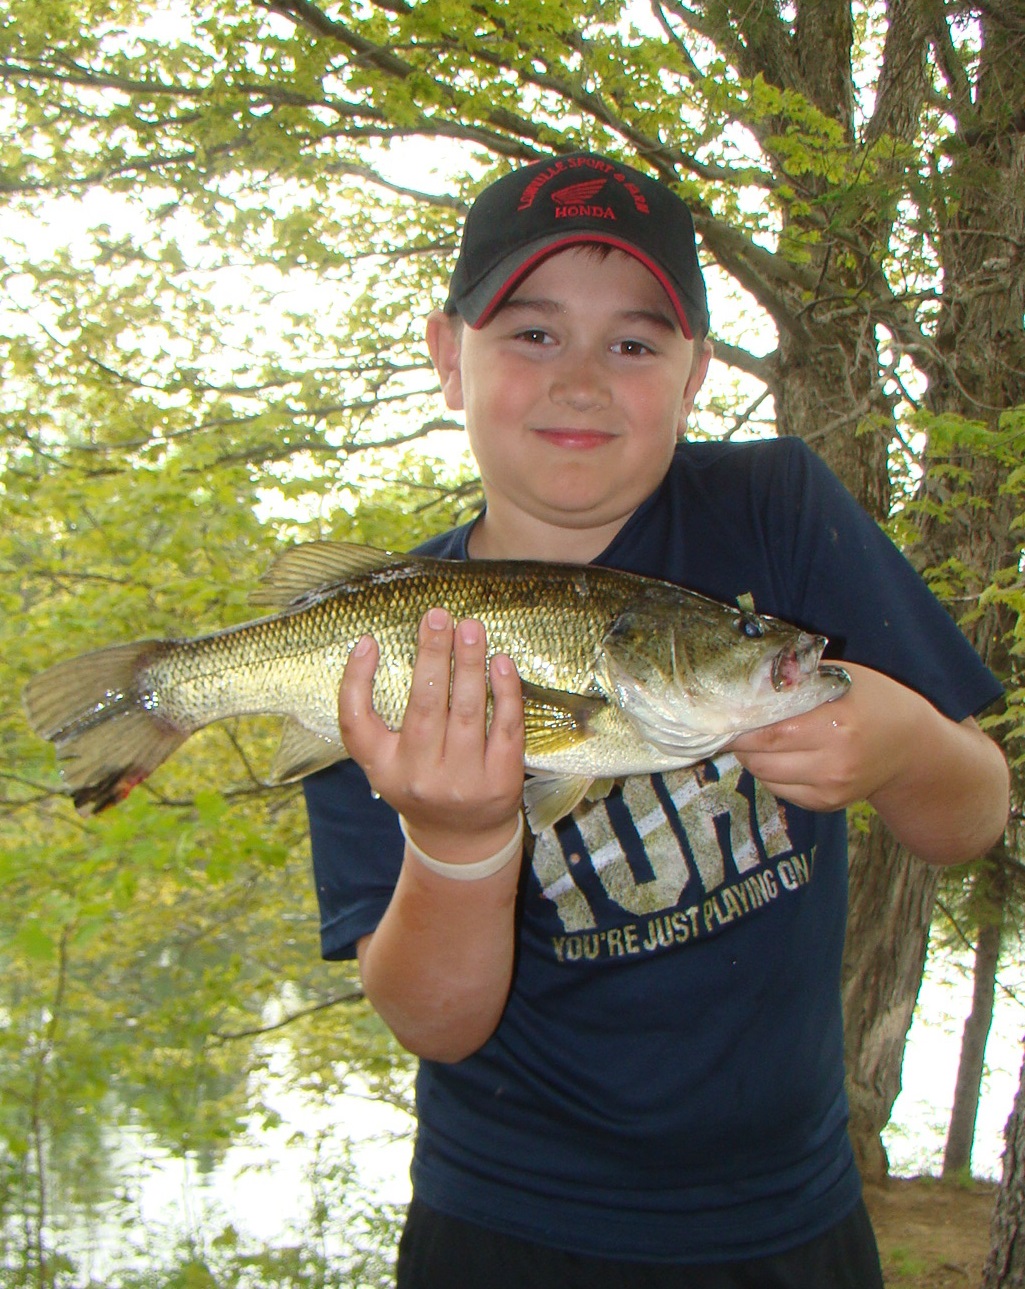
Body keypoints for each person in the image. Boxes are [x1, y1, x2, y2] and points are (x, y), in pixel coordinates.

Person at [303, 152, 1009, 1288]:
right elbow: (432, 1021)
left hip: (793, 1213)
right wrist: (455, 837)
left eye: (633, 343)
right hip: (506, 1224)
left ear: (691, 378)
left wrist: (905, 738)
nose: (580, 379)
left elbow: (971, 815)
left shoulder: (773, 509)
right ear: (449, 357)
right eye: (530, 333)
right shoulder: (394, 645)